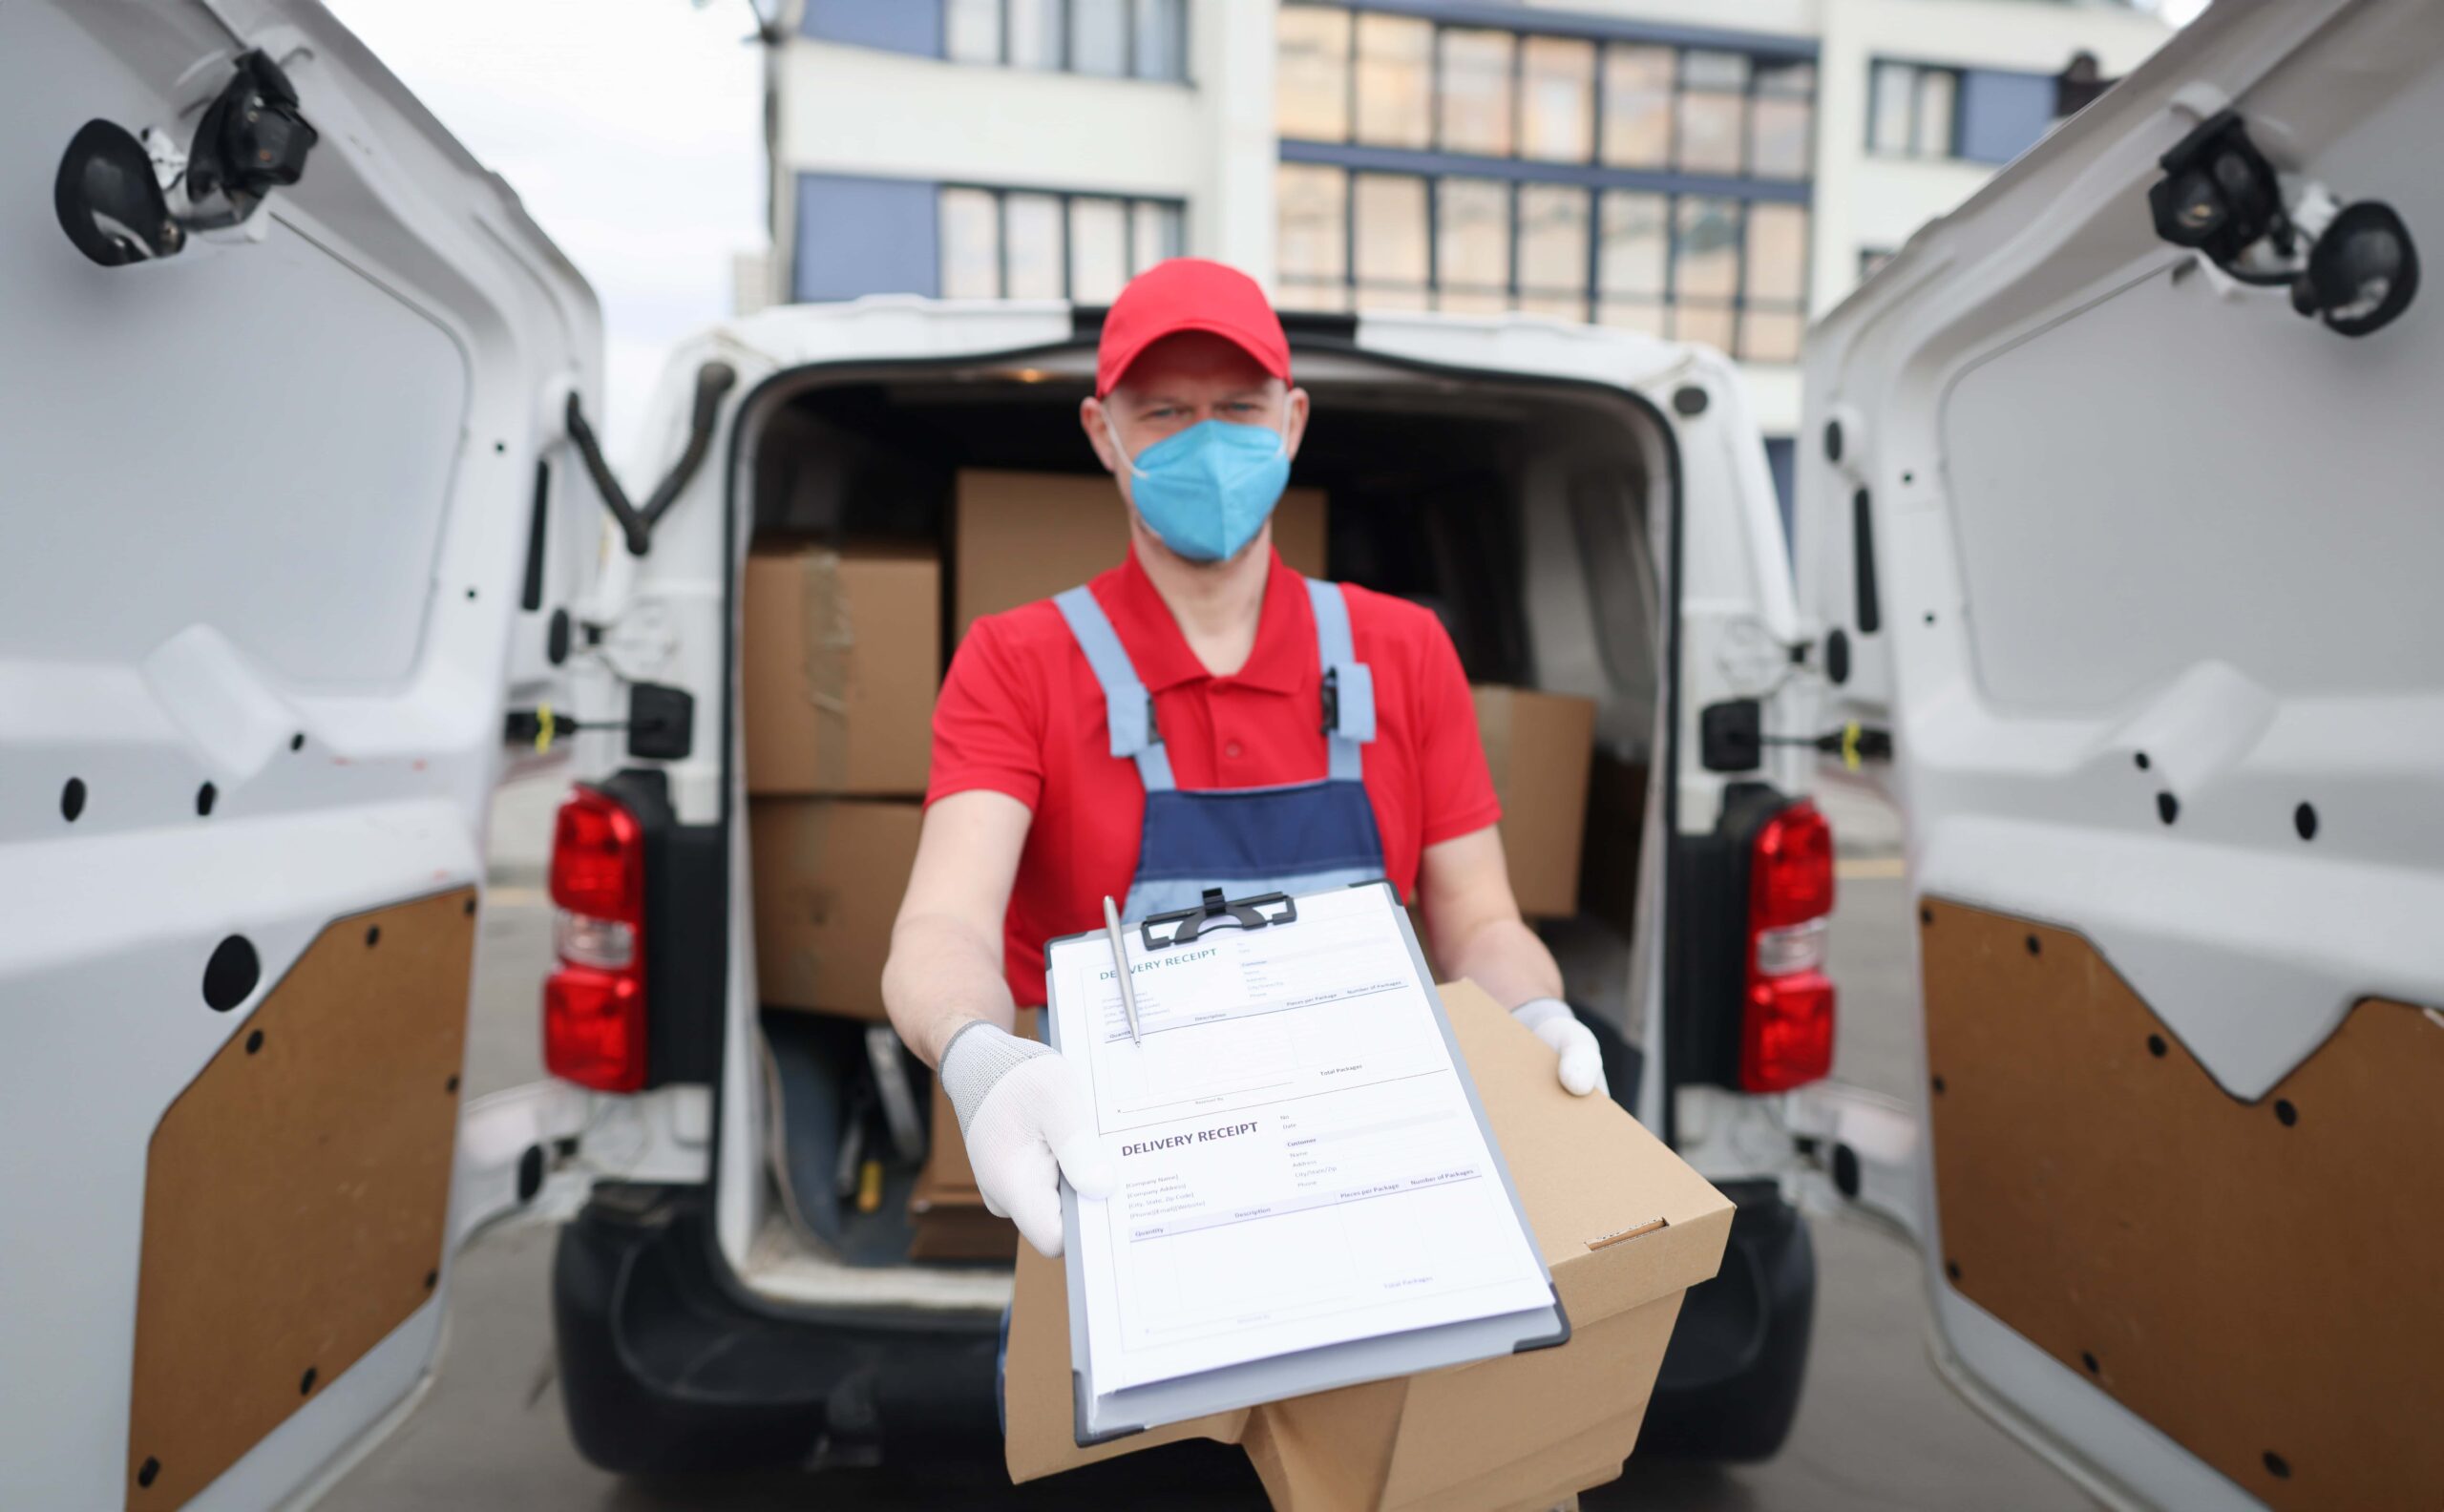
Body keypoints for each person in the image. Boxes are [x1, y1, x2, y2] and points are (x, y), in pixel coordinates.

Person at [881, 258, 1603, 1260]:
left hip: (1376, 1182)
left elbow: (1480, 920)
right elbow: (944, 923)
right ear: (1102, 433)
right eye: (1166, 412)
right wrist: (977, 1055)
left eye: (1238, 408)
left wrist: (1536, 1013)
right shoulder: (1017, 662)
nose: (1208, 441)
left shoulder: (1401, 650)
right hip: (1125, 1201)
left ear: (1292, 422)